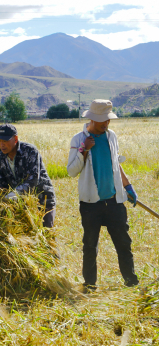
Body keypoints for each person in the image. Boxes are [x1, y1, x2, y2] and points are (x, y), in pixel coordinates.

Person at [67, 99, 139, 289]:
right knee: (90, 246)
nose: (105, 125)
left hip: (114, 200)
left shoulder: (111, 136)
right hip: (91, 203)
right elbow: (72, 171)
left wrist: (128, 186)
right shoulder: (78, 139)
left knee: (124, 243)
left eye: (108, 121)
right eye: (102, 122)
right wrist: (84, 149)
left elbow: (116, 164)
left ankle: (131, 281)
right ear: (91, 119)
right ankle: (90, 284)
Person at [0, 124, 56, 228]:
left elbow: (33, 179)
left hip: (42, 200)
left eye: (5, 141)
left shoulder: (30, 151)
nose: (1, 144)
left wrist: (14, 194)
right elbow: (1, 183)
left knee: (46, 233)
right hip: (19, 204)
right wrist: (0, 202)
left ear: (15, 139)